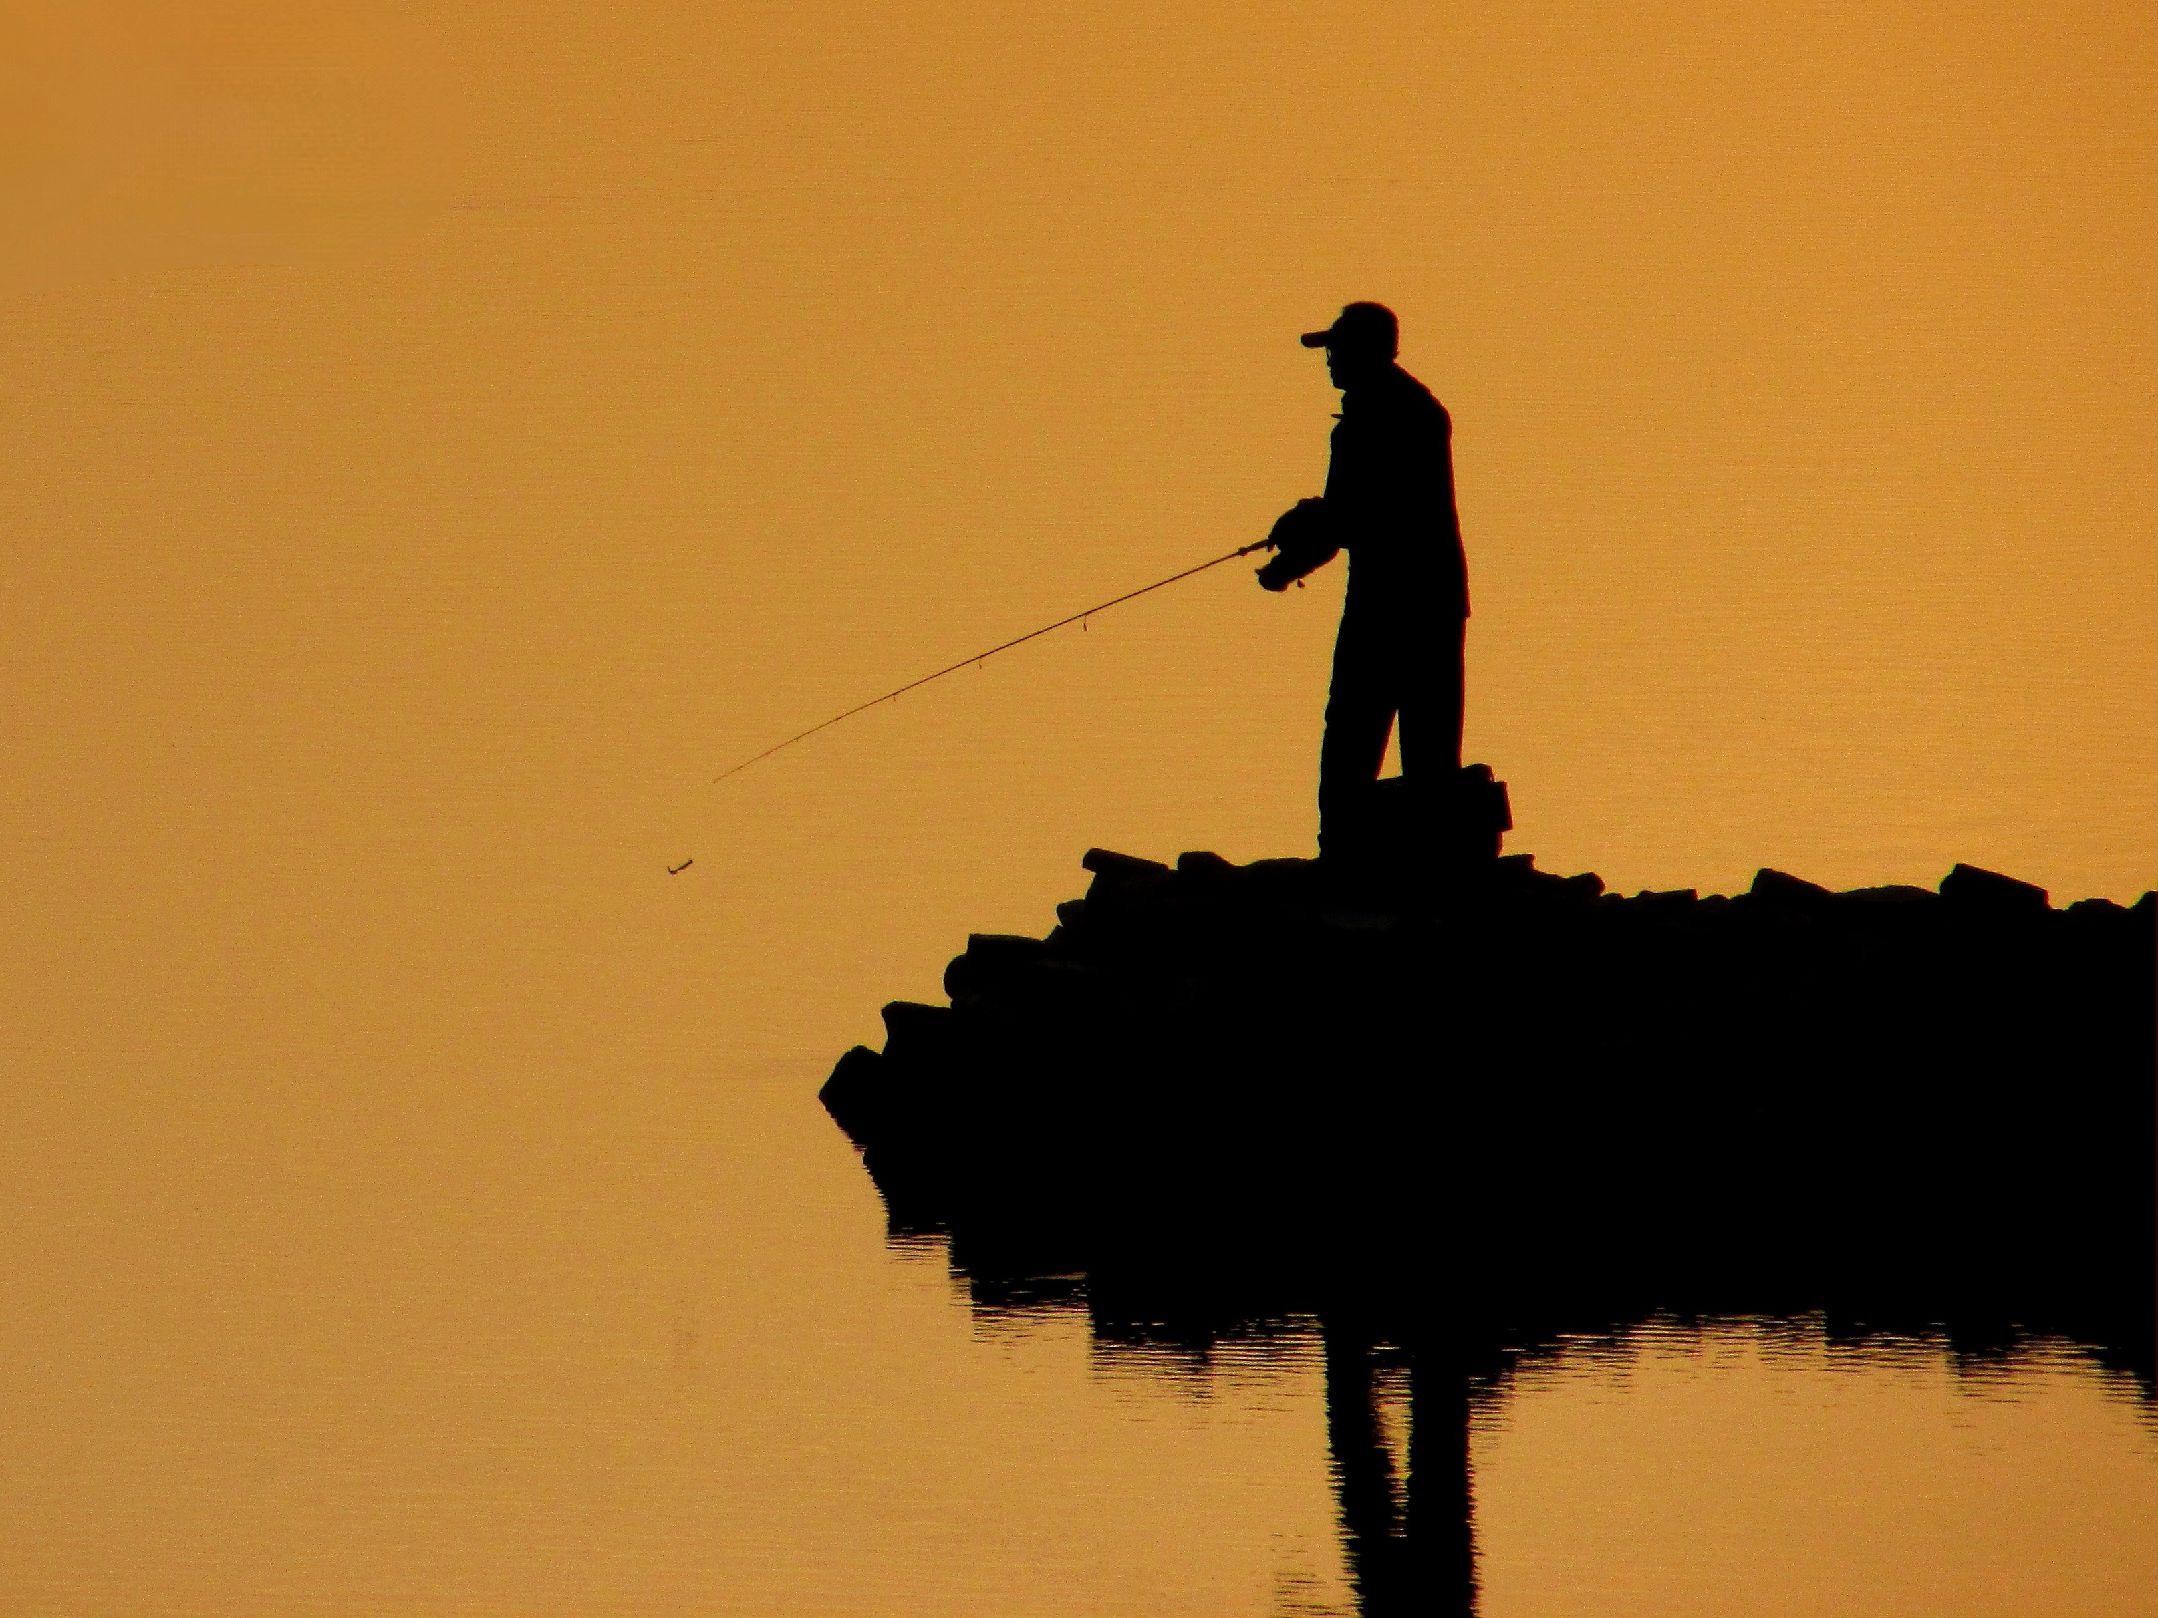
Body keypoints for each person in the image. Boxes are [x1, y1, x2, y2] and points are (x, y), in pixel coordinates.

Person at [1257, 302, 1469, 856]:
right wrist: (1306, 532)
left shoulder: (1375, 419)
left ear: (1370, 353)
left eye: (1337, 351)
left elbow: (1352, 516)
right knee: (1428, 749)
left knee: (1353, 739)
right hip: (1435, 601)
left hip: (1387, 607)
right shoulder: (1416, 410)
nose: (1329, 362)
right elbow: (1350, 515)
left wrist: (1288, 560)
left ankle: (1349, 863)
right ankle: (1432, 865)